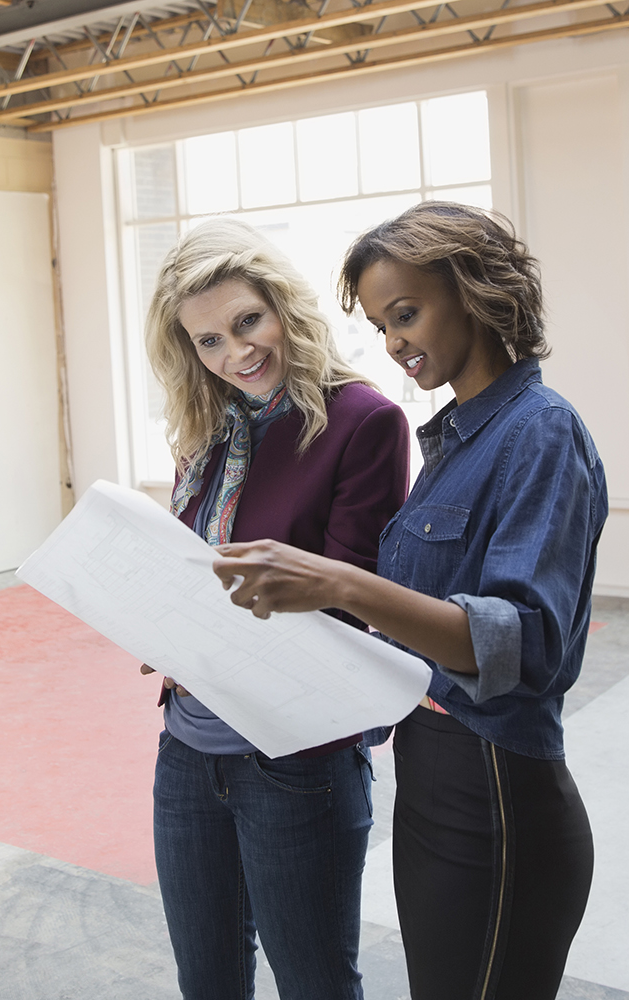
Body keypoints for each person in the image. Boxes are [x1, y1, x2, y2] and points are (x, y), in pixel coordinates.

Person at [213, 202, 603, 1000]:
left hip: (497, 789)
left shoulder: (542, 432)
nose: (394, 343)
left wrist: (339, 582)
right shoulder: (456, 440)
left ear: (477, 291)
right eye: (382, 325)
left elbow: (520, 644)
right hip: (430, 778)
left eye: (407, 314)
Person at [141, 218, 410, 1000]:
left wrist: (212, 630)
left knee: (316, 983)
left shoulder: (363, 421)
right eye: (208, 341)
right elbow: (198, 570)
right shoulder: (206, 433)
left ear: (283, 305)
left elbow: (352, 602)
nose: (236, 353)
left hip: (295, 758)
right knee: (209, 982)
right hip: (188, 751)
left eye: (246, 321)